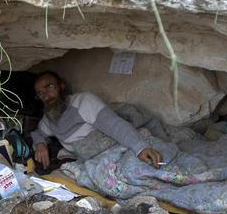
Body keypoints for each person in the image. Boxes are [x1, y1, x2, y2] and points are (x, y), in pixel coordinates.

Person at [30, 71, 162, 169]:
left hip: (118, 145)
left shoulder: (83, 102)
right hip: (96, 160)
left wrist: (140, 147)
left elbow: (114, 125)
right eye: (40, 92)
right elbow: (38, 132)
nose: (46, 96)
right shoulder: (49, 118)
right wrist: (40, 144)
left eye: (50, 87)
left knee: (152, 165)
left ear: (61, 86)